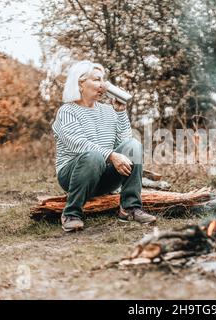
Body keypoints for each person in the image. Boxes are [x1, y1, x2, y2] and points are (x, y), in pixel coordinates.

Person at [52, 60, 157, 232]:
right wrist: (111, 156)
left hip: (104, 177)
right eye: (97, 80)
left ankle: (130, 208)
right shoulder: (67, 111)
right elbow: (78, 144)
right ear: (80, 83)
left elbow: (124, 143)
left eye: (103, 80)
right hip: (73, 175)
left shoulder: (108, 111)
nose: (104, 85)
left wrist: (121, 112)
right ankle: (71, 213)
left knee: (133, 146)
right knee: (93, 156)